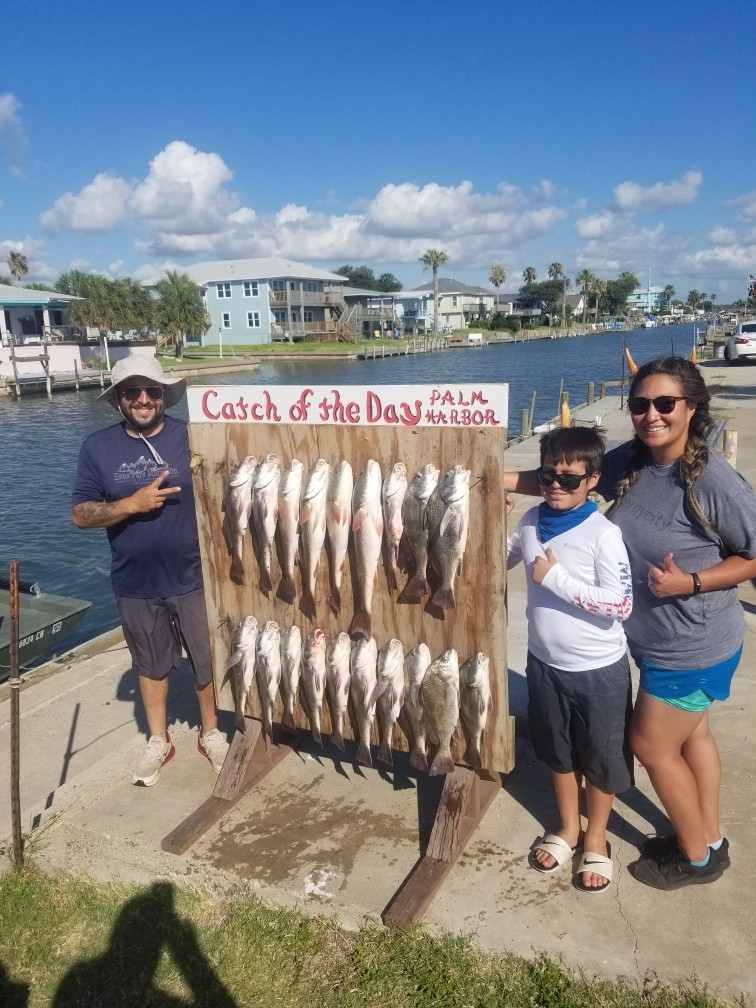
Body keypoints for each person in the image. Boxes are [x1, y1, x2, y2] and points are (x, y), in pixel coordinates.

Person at [505, 356, 756, 890]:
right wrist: (485, 477)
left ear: (691, 409)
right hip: (666, 640)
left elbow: (753, 554)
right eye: (641, 404)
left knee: (649, 745)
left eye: (666, 404)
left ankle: (696, 858)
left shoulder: (714, 480)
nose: (651, 415)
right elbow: (560, 474)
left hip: (691, 643)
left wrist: (690, 582)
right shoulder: (637, 458)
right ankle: (707, 833)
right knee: (695, 737)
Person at [71, 355, 229, 787]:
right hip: (135, 581)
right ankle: (158, 739)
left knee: (205, 660)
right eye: (132, 392)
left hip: (194, 575)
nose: (143, 399)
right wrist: (129, 505)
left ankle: (211, 731)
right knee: (150, 664)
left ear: (164, 396)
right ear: (119, 399)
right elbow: (81, 514)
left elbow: (232, 466)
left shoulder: (191, 436)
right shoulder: (98, 447)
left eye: (152, 391)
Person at [508, 427, 633, 893]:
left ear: (593, 480)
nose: (555, 486)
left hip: (599, 670)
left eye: (569, 479)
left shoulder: (604, 534)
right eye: (546, 476)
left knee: (600, 758)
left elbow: (622, 605)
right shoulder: (530, 521)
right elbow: (500, 558)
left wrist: (555, 579)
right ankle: (567, 827)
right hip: (543, 663)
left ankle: (596, 837)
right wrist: (484, 514)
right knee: (557, 753)